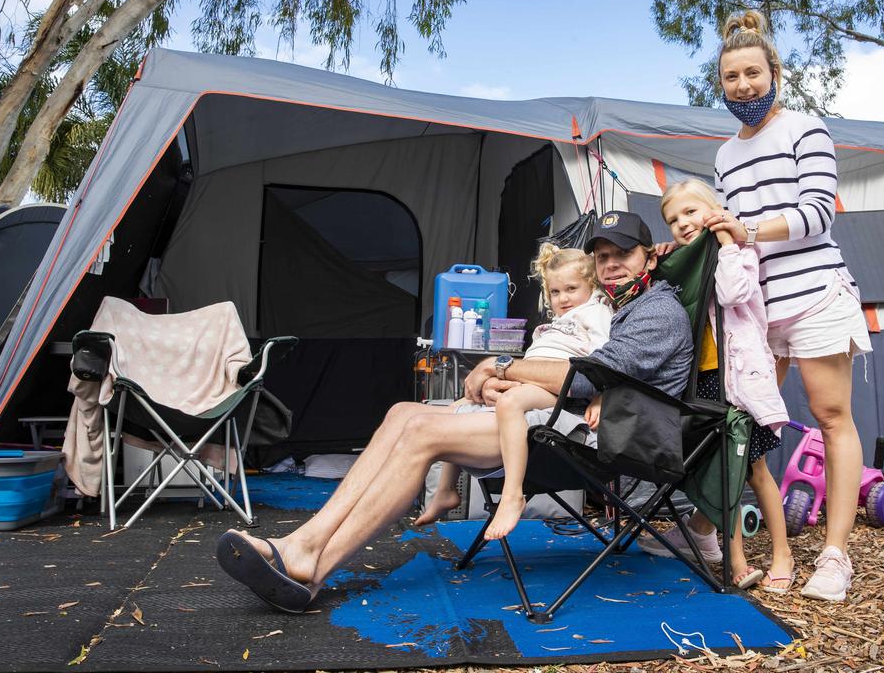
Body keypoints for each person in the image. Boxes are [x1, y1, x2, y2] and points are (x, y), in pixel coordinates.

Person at [215, 211, 693, 613]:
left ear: (648, 257)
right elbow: (575, 366)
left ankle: (312, 567)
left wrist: (502, 365)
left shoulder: (656, 312)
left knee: (423, 429)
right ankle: (304, 542)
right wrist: (500, 372)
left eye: (623, 255)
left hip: (604, 437)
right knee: (404, 411)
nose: (611, 266)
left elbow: (588, 376)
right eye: (603, 257)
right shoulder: (617, 305)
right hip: (562, 416)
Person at [678, 9, 871, 603]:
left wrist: (747, 228)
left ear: (774, 72)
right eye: (731, 77)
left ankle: (835, 557)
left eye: (752, 73)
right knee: (743, 421)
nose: (743, 86)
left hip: (815, 293)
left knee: (830, 415)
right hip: (756, 311)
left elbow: (819, 212)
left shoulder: (805, 129)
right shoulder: (724, 157)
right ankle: (708, 529)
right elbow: (727, 236)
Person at [640, 179, 794, 592]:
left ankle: (783, 554)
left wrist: (727, 242)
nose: (682, 224)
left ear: (714, 209)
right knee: (724, 468)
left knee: (756, 468)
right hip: (704, 380)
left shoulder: (739, 252)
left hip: (738, 378)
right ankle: (731, 556)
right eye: (673, 220)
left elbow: (731, 293)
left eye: (690, 212)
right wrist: (664, 259)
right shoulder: (687, 259)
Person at [416, 243, 612, 540]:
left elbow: (606, 359)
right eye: (556, 292)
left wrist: (601, 396)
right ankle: (445, 491)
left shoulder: (596, 311)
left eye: (572, 288)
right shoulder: (558, 321)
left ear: (591, 285)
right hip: (531, 378)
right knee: (457, 406)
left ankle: (512, 494)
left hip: (562, 388)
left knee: (511, 402)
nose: (563, 298)